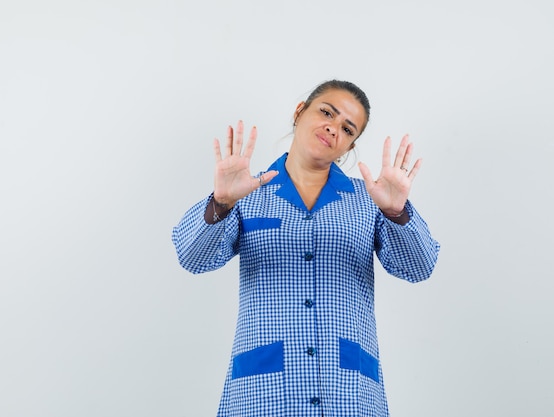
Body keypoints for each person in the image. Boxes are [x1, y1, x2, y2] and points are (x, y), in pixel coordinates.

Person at [171, 79, 440, 417]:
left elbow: (419, 267)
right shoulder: (245, 191)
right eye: (327, 112)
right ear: (300, 112)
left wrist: (396, 212)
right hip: (264, 391)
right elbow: (192, 258)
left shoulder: (370, 199)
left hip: (348, 391)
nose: (333, 128)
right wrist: (221, 203)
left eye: (347, 128)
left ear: (349, 146)